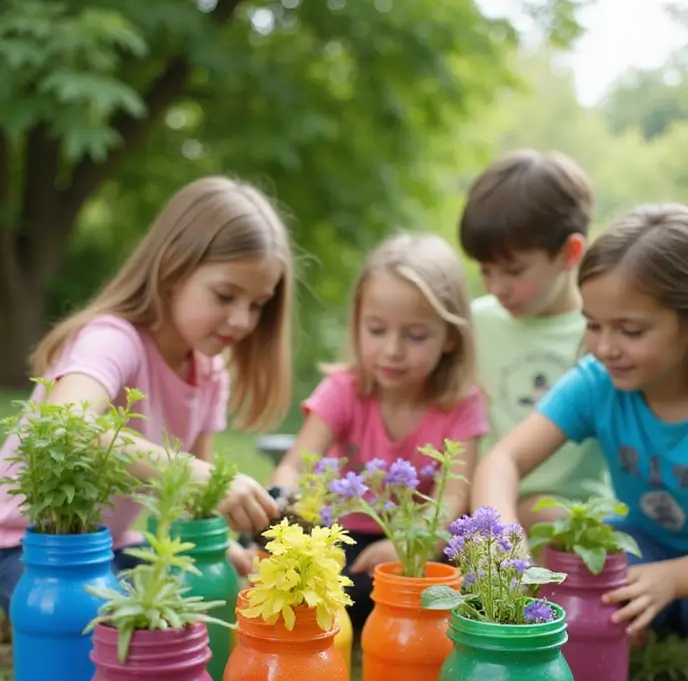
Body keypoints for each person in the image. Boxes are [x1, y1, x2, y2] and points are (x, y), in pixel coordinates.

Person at [0, 175, 293, 617]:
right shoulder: (113, 339)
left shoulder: (209, 372)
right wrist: (193, 473)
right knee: (123, 626)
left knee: (189, 611)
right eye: (226, 295)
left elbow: (191, 503)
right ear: (172, 270)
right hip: (26, 546)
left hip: (106, 547)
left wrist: (213, 546)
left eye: (258, 304)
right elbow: (63, 426)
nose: (243, 320)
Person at [471, 204, 688, 638]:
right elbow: (503, 461)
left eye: (631, 331)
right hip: (640, 551)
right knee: (593, 605)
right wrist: (503, 542)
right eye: (593, 325)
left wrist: (675, 578)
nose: (605, 347)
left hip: (673, 571)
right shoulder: (597, 381)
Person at [270, 231, 488, 629]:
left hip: (416, 548)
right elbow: (293, 468)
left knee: (446, 588)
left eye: (415, 335)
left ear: (451, 337)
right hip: (340, 541)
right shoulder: (344, 389)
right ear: (357, 324)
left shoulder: (461, 405)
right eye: (376, 330)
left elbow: (453, 496)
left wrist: (406, 547)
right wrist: (290, 511)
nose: (392, 350)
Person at [459, 149, 609, 532]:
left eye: (514, 270)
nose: (496, 287)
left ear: (569, 253)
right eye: (485, 270)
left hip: (579, 524)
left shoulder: (603, 334)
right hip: (483, 520)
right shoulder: (473, 324)